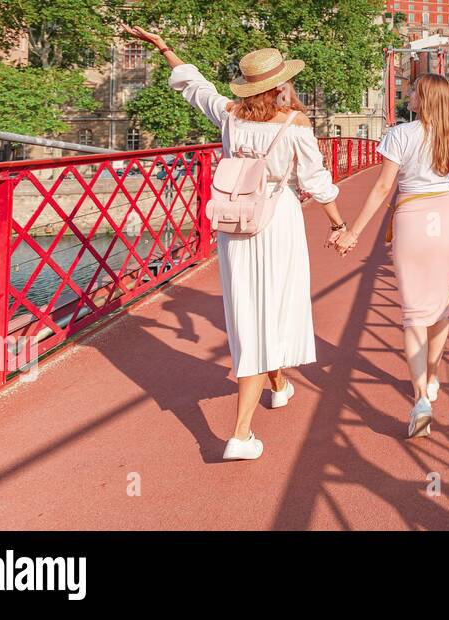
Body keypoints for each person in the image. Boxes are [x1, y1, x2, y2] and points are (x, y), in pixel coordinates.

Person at [122, 25, 346, 461]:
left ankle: (278, 384)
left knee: (250, 310)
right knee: (273, 311)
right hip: (277, 220)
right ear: (282, 85)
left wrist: (164, 46)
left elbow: (195, 86)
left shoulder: (230, 116)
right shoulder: (296, 124)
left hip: (235, 222)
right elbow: (316, 182)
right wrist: (338, 225)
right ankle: (240, 434)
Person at [334, 74, 449, 438]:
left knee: (413, 314)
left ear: (422, 98)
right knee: (440, 306)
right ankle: (435, 377)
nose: (408, 94)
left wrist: (354, 232)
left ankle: (421, 399)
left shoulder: (399, 135)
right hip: (448, 219)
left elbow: (382, 188)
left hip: (411, 218)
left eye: (413, 90)